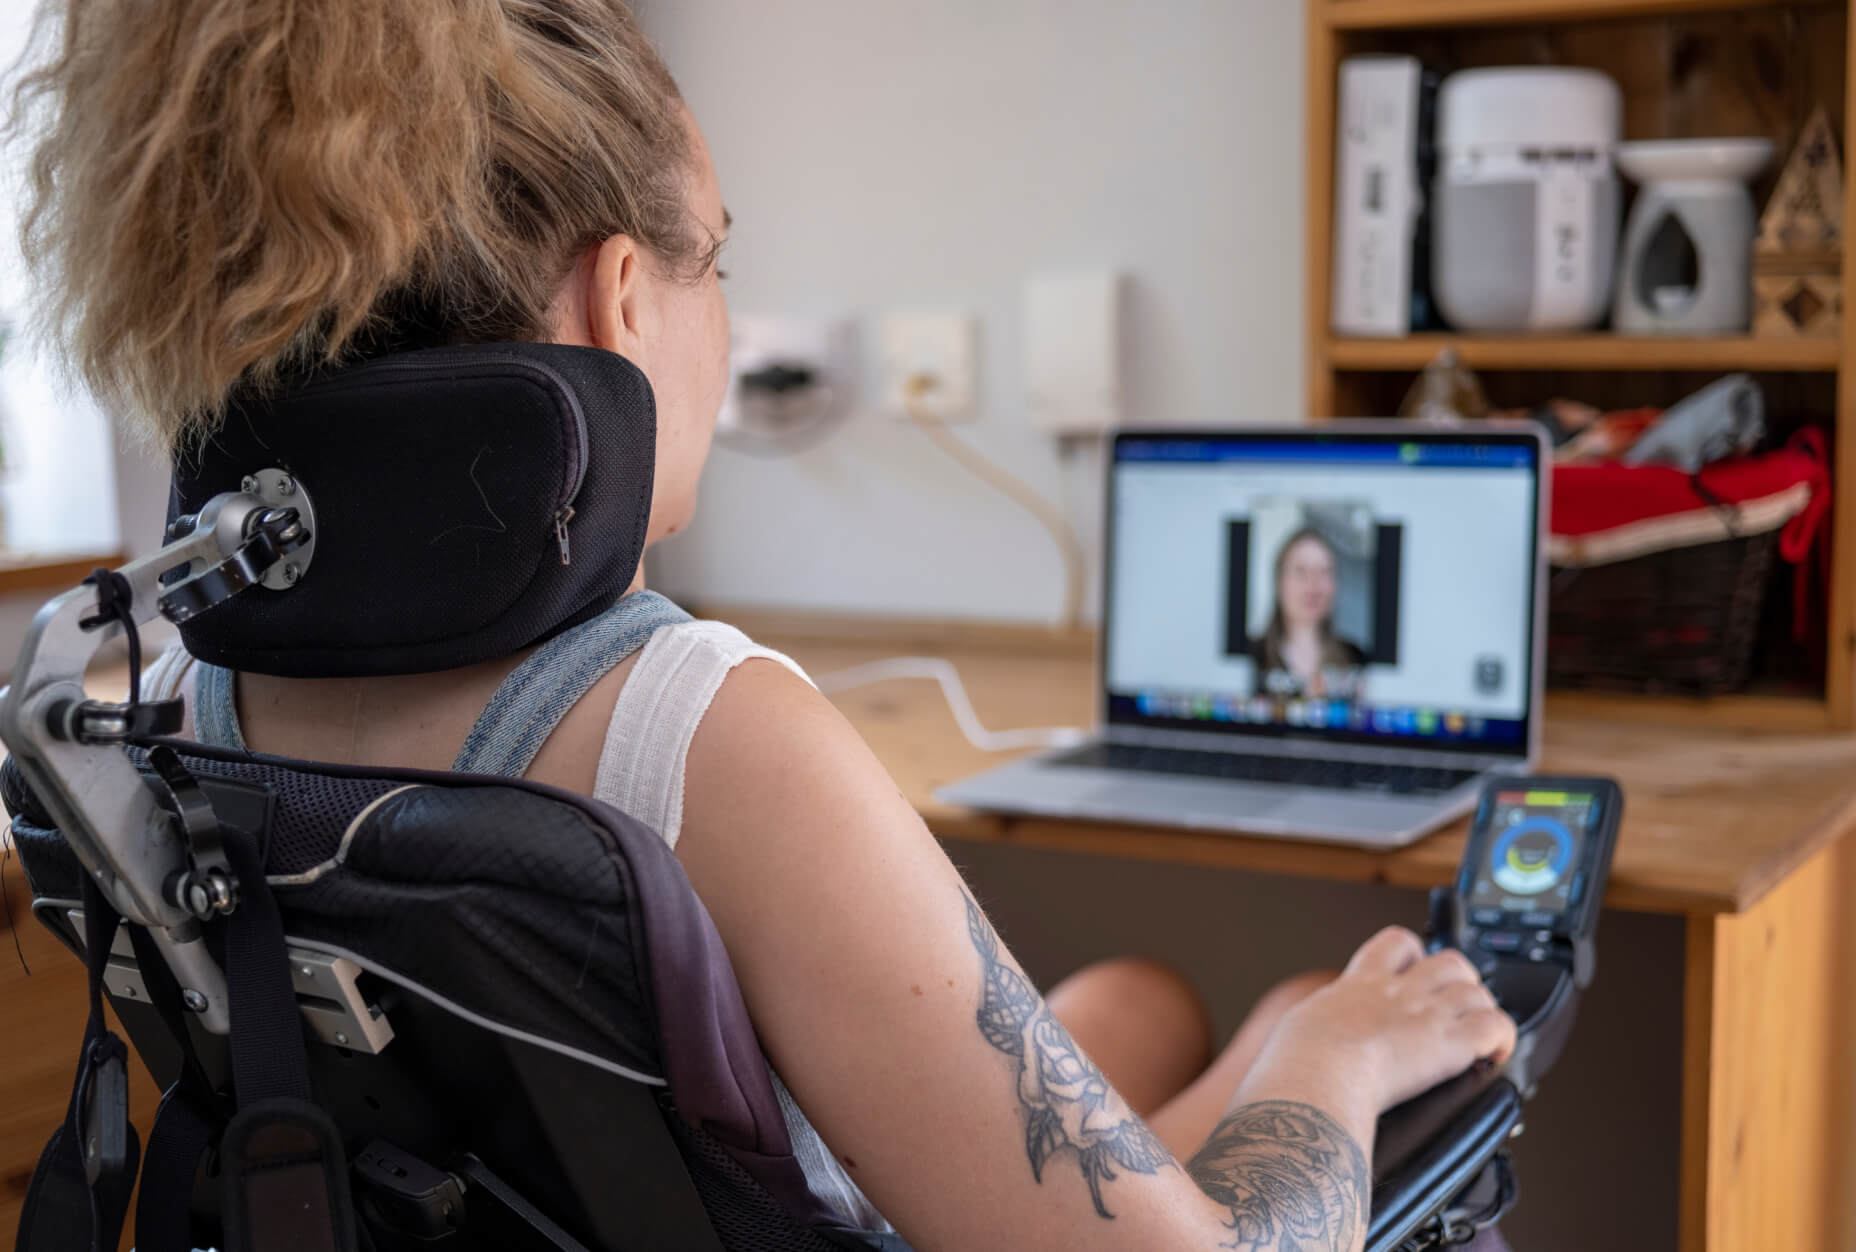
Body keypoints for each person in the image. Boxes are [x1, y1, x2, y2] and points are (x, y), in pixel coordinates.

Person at [14, 4, 1514, 1248]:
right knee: (1309, 1003)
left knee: (1142, 1003)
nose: (722, 314)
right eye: (714, 264)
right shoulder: (703, 731)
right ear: (619, 301)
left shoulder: (192, 703)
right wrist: (1340, 1053)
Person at [1253, 526, 1370, 702]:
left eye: (1324, 572)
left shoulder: (1359, 660)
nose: (1313, 584)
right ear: (1279, 582)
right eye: (1301, 571)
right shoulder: (1250, 658)